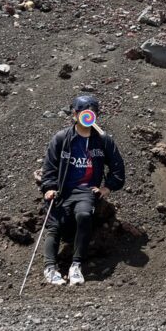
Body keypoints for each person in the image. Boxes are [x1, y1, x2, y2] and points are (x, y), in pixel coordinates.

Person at [40, 93, 126, 286]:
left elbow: (118, 167)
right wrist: (49, 187)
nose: (88, 115)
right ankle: (50, 268)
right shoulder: (62, 138)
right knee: (55, 225)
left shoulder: (104, 140)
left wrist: (107, 187)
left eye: (93, 112)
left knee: (84, 216)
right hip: (62, 190)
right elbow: (49, 166)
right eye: (83, 112)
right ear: (75, 114)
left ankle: (76, 266)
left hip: (86, 190)